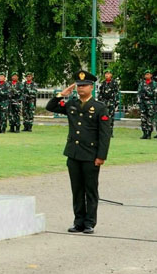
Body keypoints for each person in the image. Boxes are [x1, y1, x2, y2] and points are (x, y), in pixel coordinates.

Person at [45, 71, 112, 234]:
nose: (81, 88)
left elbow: (104, 135)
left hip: (90, 155)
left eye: (84, 85)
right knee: (77, 190)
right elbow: (50, 107)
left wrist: (101, 156)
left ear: (91, 87)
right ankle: (78, 221)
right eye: (79, 85)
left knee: (90, 190)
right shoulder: (71, 104)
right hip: (73, 154)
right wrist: (62, 94)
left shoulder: (99, 107)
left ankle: (89, 222)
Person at [137, 70, 156, 139]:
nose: (147, 76)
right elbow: (139, 93)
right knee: (143, 119)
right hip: (143, 103)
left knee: (150, 119)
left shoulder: (154, 84)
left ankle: (149, 133)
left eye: (148, 74)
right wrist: (139, 100)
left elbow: (154, 94)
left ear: (151, 75)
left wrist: (147, 93)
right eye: (146, 74)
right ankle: (144, 133)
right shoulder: (142, 84)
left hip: (150, 103)